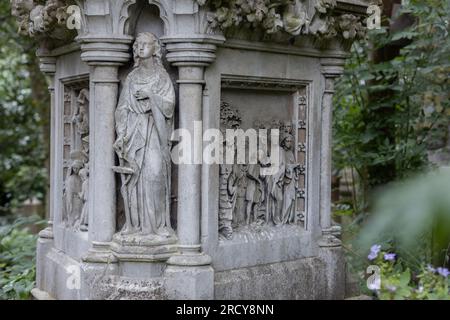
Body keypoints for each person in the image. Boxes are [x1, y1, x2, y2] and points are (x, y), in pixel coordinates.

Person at [113, 33, 175, 238]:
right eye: (137, 44)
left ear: (155, 48)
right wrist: (121, 134)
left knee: (155, 173)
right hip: (133, 132)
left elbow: (169, 106)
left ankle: (157, 226)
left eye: (145, 44)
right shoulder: (131, 78)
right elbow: (121, 108)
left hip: (154, 131)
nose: (140, 47)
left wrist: (151, 95)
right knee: (134, 179)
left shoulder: (161, 76)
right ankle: (135, 226)